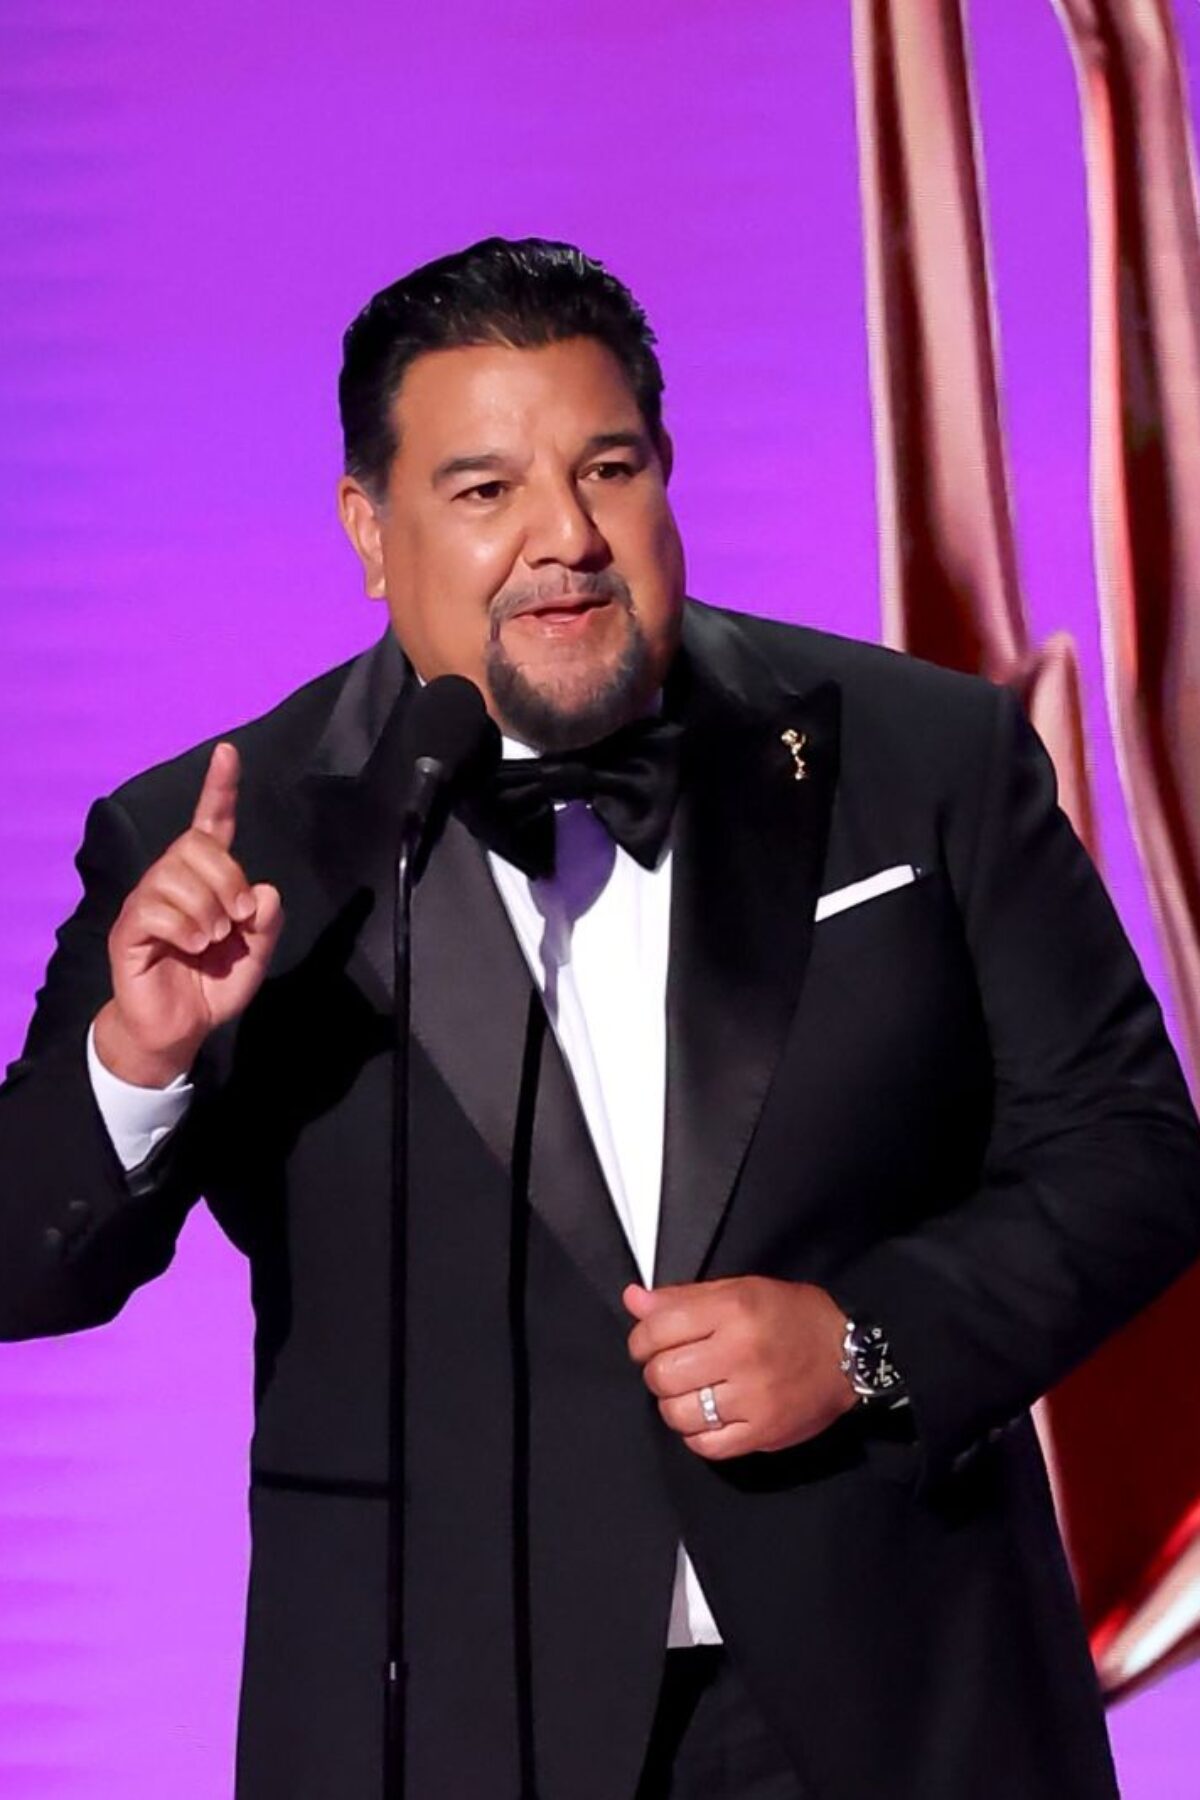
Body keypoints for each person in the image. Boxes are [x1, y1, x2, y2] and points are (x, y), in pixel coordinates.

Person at [2, 237, 1199, 1800]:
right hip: (427, 1726)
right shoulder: (226, 836)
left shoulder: (926, 754)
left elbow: (1131, 1158)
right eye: (484, 490)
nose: (563, 538)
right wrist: (135, 1062)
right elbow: (26, 1260)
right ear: (370, 529)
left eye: (608, 468)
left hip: (897, 1701)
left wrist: (865, 1344)